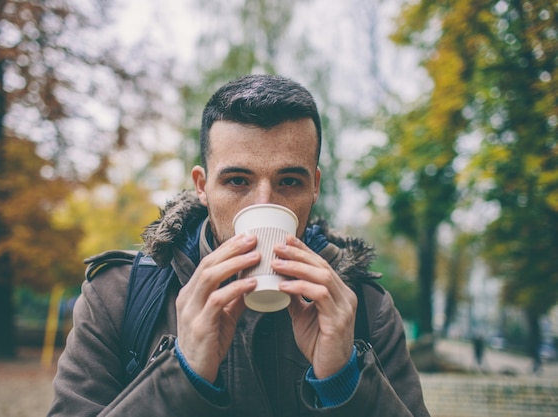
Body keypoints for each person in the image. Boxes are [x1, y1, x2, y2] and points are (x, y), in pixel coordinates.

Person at [47, 74, 431, 416]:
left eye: (289, 182)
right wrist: (182, 377)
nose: (264, 203)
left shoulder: (363, 305)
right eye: (237, 181)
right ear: (202, 186)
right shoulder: (117, 296)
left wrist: (342, 383)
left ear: (315, 186)